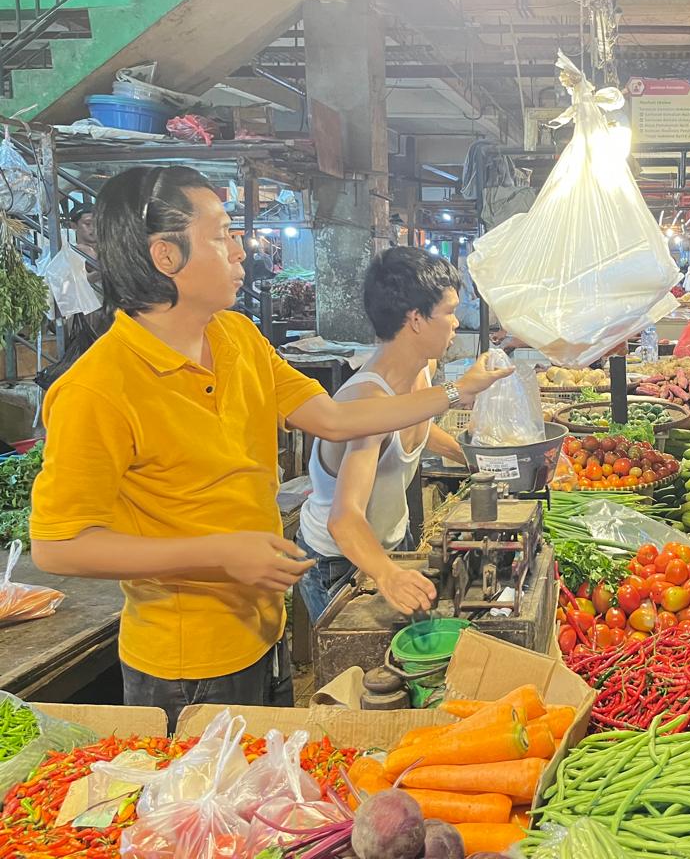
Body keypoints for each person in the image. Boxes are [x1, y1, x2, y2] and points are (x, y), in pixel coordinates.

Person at [28, 166, 512, 727]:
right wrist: (221, 553)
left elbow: (335, 418)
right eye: (222, 235)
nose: (241, 251)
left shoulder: (236, 337)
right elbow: (59, 547)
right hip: (186, 665)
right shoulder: (98, 388)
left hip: (265, 626)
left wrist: (456, 390)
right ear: (166, 257)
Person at [296, 248, 472, 621]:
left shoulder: (421, 370)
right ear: (416, 320)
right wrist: (387, 574)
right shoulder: (366, 401)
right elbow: (344, 519)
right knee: (360, 671)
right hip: (342, 561)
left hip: (391, 540)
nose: (456, 323)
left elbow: (415, 431)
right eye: (449, 312)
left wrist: (472, 457)